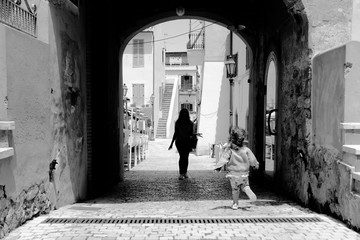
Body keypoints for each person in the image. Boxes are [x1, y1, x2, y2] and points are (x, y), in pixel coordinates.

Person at [214, 126, 259, 210]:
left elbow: (224, 158)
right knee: (245, 185)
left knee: (235, 190)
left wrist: (218, 166)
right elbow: (252, 159)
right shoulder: (246, 150)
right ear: (243, 140)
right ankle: (246, 188)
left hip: (233, 174)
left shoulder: (229, 150)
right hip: (244, 174)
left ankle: (235, 204)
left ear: (232, 139)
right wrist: (255, 165)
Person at [168, 108, 200, 180]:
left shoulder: (178, 123)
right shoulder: (190, 123)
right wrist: (171, 143)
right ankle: (183, 173)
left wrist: (172, 143)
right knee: (184, 157)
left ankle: (182, 173)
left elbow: (175, 134)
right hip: (184, 142)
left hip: (181, 142)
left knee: (183, 157)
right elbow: (189, 134)